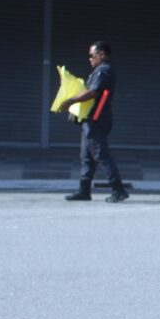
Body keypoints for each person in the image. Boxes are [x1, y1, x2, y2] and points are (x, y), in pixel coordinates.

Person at [56, 41, 128, 203]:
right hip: (91, 118)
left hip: (97, 119)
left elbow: (93, 92)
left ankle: (118, 189)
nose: (89, 59)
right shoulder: (99, 71)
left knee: (101, 155)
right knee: (86, 156)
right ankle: (84, 190)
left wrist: (70, 101)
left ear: (102, 54)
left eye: (92, 55)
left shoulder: (104, 71)